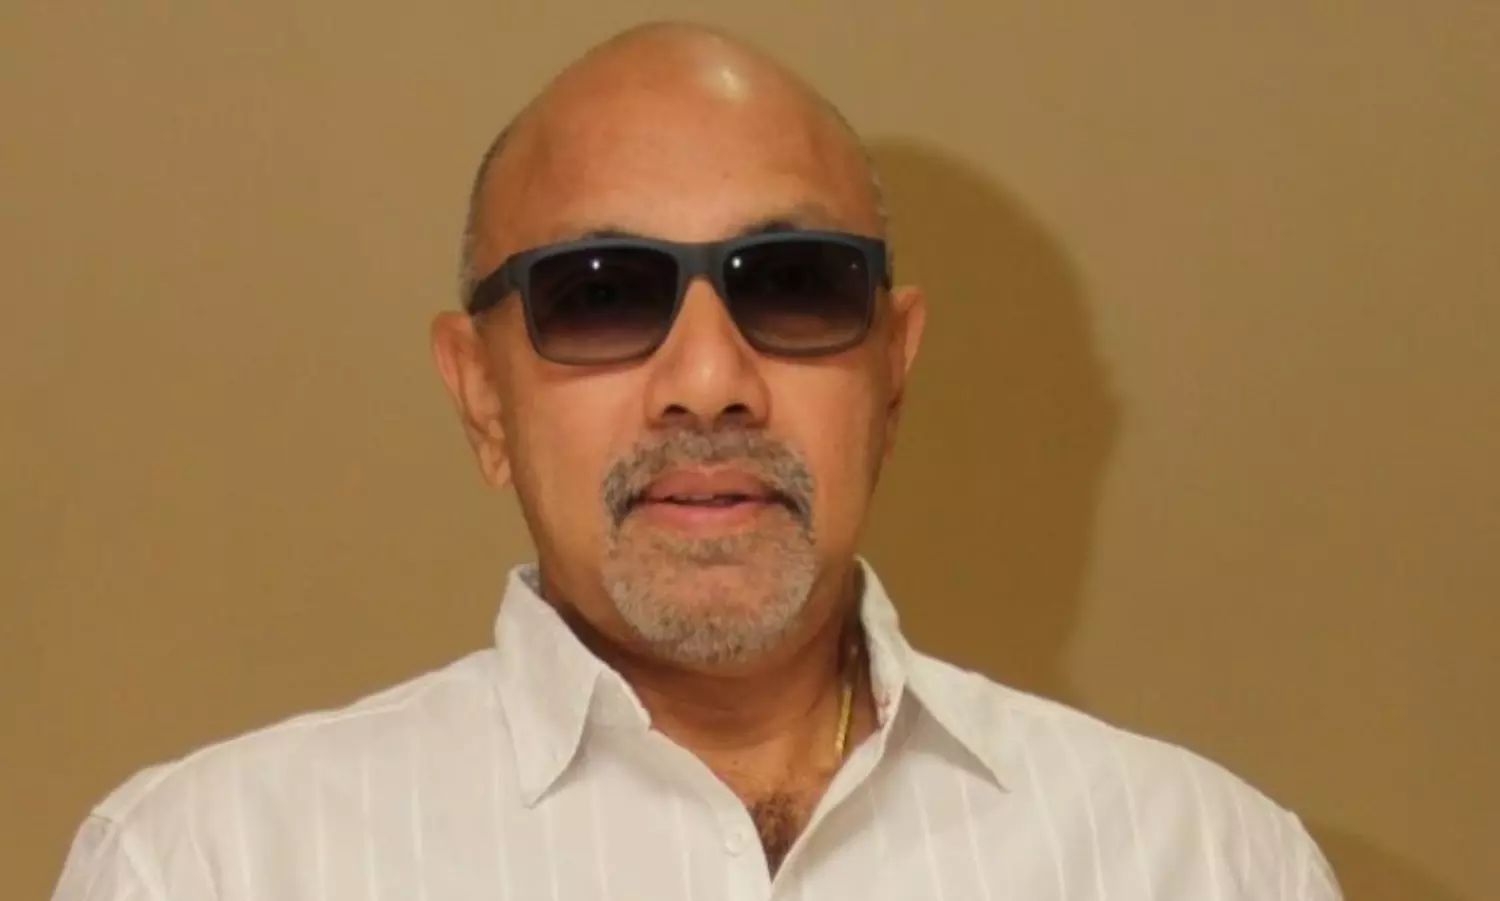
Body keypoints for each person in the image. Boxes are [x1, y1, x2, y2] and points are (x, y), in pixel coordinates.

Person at [52, 21, 1341, 901]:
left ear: (892, 370)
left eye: (793, 283)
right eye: (601, 295)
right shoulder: (213, 868)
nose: (710, 380)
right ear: (481, 396)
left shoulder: (1208, 867)